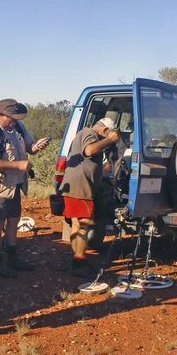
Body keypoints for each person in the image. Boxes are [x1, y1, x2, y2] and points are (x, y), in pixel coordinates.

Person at [0, 99, 51, 278]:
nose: (15, 120)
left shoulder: (18, 128)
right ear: (2, 114)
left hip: (14, 184)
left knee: (13, 220)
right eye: (12, 117)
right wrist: (19, 165)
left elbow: (30, 148)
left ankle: (12, 258)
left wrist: (37, 146)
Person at [59, 117, 119, 277]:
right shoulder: (90, 133)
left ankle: (79, 260)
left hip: (73, 186)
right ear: (104, 130)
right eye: (106, 134)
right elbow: (89, 151)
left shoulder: (82, 133)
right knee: (86, 224)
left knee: (76, 224)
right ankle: (79, 263)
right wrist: (109, 140)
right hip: (81, 188)